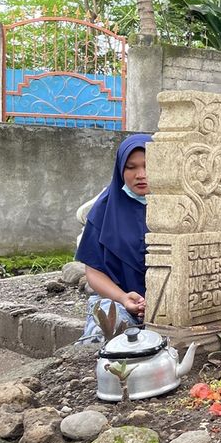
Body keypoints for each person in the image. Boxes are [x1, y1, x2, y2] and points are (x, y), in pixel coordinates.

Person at [76, 134, 153, 343]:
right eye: (131, 167)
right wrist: (123, 298)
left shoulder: (179, 206)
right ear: (120, 169)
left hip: (168, 305)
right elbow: (93, 270)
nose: (141, 174)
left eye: (148, 165)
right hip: (119, 301)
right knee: (106, 329)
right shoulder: (104, 210)